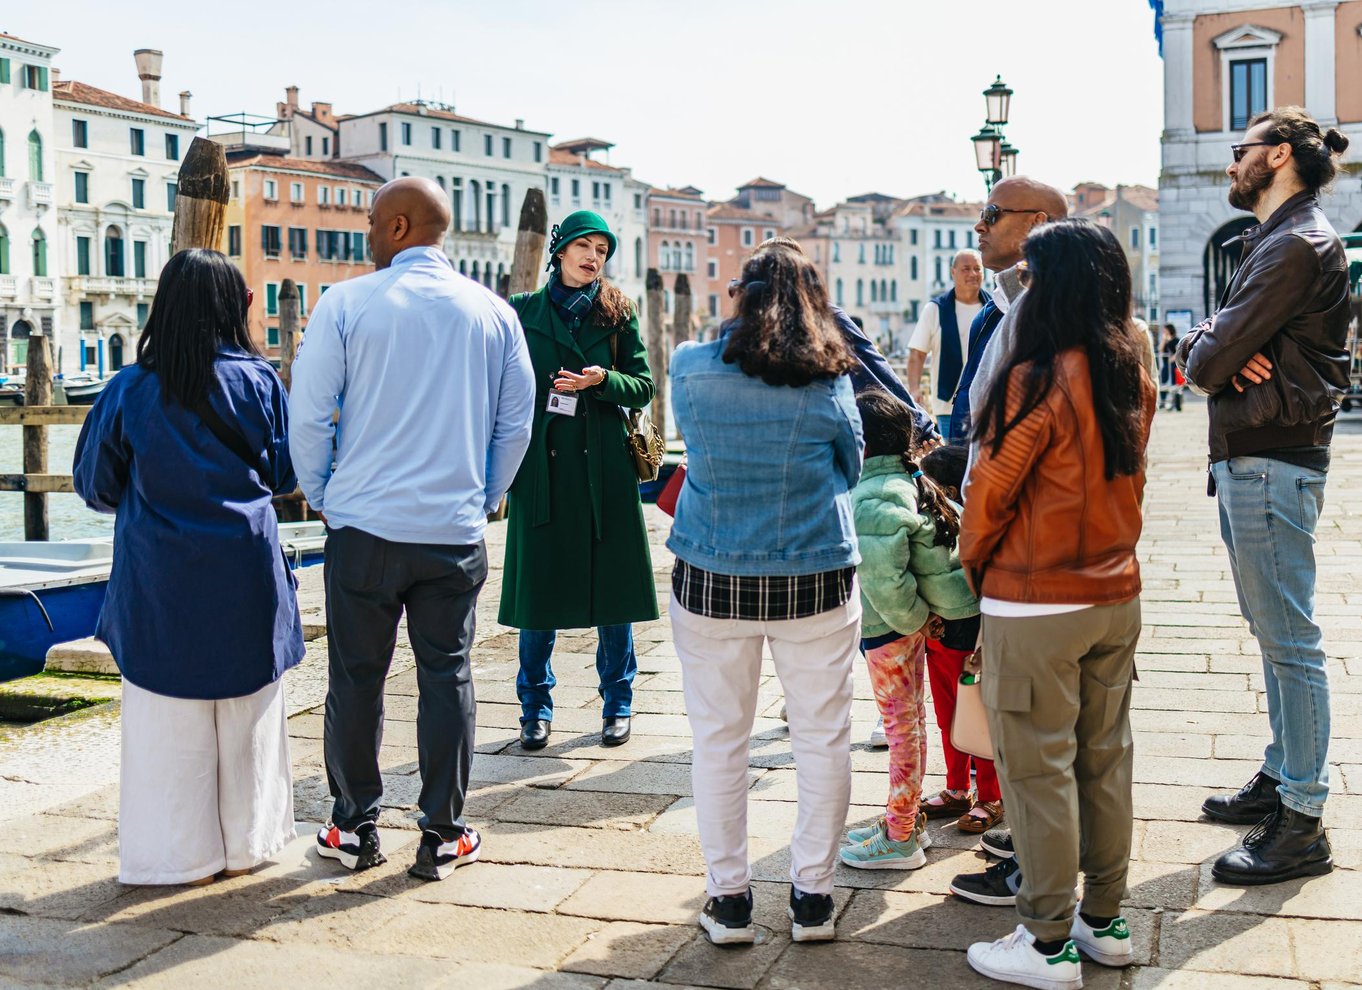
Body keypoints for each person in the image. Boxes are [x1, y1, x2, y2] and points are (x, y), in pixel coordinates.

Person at [289, 176, 535, 881]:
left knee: (356, 679)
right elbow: (514, 423)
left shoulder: (346, 303)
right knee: (446, 675)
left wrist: (325, 496)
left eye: (372, 222)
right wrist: (484, 497)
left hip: (364, 528)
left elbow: (309, 415)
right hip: (451, 531)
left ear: (397, 229)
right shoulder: (493, 313)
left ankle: (352, 828)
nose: (366, 234)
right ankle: (443, 834)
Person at [953, 219, 1155, 989]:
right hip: (1113, 594)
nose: (1024, 290)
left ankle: (1044, 943)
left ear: (1056, 285)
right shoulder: (1128, 371)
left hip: (1036, 601)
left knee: (1038, 774)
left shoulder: (1037, 375)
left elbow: (989, 495)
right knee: (1105, 761)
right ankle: (1103, 921)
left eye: (1032, 277)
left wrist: (974, 568)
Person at [73, 248, 303, 886]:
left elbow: (95, 485)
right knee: (248, 717)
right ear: (236, 308)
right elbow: (287, 476)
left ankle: (175, 857)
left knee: (165, 728)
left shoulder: (128, 388)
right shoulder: (260, 382)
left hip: (159, 578)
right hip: (244, 571)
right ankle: (248, 846)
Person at [669, 239, 862, 946]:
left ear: (739, 298)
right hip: (814, 574)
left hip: (713, 574)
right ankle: (813, 897)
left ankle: (730, 900)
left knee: (720, 740)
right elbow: (852, 463)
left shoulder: (689, 368)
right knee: (823, 736)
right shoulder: (830, 380)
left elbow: (690, 445)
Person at [1178, 106, 1351, 886]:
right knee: (1273, 631)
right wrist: (1211, 347)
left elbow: (1211, 361)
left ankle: (1304, 822)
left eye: (1240, 150)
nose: (1231, 164)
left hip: (1271, 457)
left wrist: (1216, 350)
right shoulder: (1277, 240)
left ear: (1278, 156)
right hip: (1258, 456)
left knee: (1291, 641)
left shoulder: (1294, 245)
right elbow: (1205, 349)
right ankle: (1283, 777)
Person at [499, 210, 658, 751]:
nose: (595, 258)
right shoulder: (521, 312)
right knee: (537, 599)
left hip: (604, 471)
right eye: (586, 246)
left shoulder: (619, 312)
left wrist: (601, 379)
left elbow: (642, 386)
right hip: (540, 471)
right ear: (560, 250)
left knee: (613, 596)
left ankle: (618, 702)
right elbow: (499, 386)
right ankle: (533, 710)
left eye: (604, 251)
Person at [837, 392, 982, 871]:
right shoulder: (903, 480)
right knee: (912, 726)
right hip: (911, 626)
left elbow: (886, 581)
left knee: (903, 729)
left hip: (891, 630)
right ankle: (905, 819)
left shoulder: (873, 496)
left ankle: (900, 836)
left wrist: (916, 620)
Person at [915, 443, 1002, 835]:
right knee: (947, 717)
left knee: (976, 717)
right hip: (938, 635)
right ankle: (956, 787)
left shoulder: (970, 521)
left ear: (948, 490)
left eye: (924, 482)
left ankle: (991, 795)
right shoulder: (930, 519)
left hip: (967, 636)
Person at [949, 177, 1070, 447]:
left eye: (992, 214)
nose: (979, 226)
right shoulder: (988, 313)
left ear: (1036, 223)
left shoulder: (1066, 312)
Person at [908, 250, 989, 438]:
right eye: (966, 269)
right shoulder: (935, 309)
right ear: (953, 272)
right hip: (947, 404)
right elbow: (917, 354)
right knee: (953, 459)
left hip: (986, 399)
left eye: (978, 269)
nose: (973, 274)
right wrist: (914, 389)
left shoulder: (993, 308)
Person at [1159, 324, 1184, 411]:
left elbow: (1177, 352)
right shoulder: (1165, 341)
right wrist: (1163, 340)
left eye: (1165, 330)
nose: (1164, 332)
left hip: (1173, 365)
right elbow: (1160, 350)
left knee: (1174, 384)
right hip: (1166, 365)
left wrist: (1171, 360)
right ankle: (1163, 401)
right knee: (1163, 381)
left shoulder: (1176, 340)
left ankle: (1175, 402)